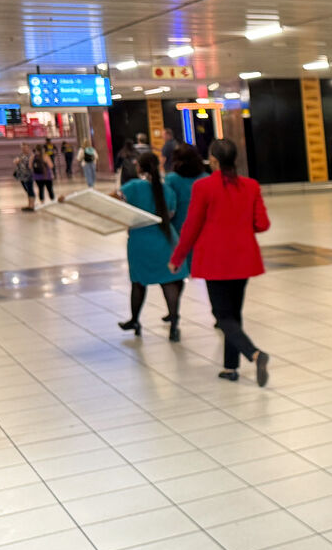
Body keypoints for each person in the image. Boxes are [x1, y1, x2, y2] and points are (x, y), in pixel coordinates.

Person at [169, 139, 272, 386]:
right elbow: (262, 224)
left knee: (221, 314)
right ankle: (230, 367)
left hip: (215, 261)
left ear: (213, 160)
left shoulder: (203, 187)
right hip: (243, 259)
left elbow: (191, 227)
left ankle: (254, 353)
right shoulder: (250, 186)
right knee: (233, 314)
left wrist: (177, 258)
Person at [116, 152, 187, 342]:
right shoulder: (167, 190)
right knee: (168, 282)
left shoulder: (133, 187)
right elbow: (171, 213)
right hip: (165, 238)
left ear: (140, 167)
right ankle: (174, 325)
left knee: (139, 282)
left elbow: (114, 200)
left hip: (140, 241)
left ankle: (135, 320)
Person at [160, 143, 207, 328]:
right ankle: (219, 314)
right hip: (203, 231)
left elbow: (168, 205)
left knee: (177, 275)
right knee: (209, 274)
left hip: (180, 231)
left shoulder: (172, 179)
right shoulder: (205, 178)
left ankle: (174, 312)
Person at [13, 143, 35, 211]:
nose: (24, 149)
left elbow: (31, 166)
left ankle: (31, 205)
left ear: (28, 148)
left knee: (30, 190)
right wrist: (16, 162)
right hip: (21, 176)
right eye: (22, 148)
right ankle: (29, 205)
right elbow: (16, 162)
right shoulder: (21, 155)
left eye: (25, 148)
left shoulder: (31, 156)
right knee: (27, 190)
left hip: (29, 175)